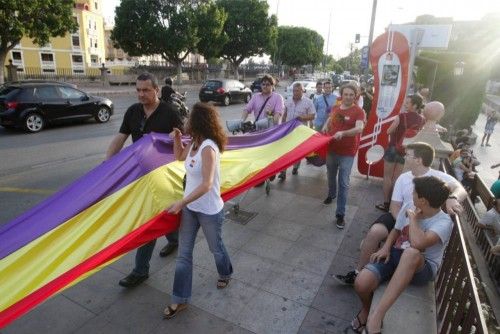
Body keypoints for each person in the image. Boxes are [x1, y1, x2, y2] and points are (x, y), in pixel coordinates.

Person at [334, 142, 466, 286]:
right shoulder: (403, 178)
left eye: (408, 155)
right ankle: (358, 271)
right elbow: (395, 206)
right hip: (402, 215)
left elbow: (461, 189)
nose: (404, 157)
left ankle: (377, 261)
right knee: (375, 231)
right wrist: (403, 223)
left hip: (421, 219)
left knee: (405, 244)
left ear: (418, 160)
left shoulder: (437, 178)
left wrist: (453, 198)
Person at [105, 72, 184, 288]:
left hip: (164, 176)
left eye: (146, 90)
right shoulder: (132, 112)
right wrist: (106, 166)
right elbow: (120, 138)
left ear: (156, 90)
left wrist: (174, 138)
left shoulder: (170, 112)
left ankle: (141, 269)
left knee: (153, 218)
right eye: (138, 90)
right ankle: (170, 243)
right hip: (140, 176)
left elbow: (184, 139)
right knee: (151, 218)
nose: (141, 94)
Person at [353, 176, 453, 333]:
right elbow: (397, 229)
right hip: (395, 255)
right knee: (361, 283)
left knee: (411, 253)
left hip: (421, 268)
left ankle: (377, 315)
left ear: (424, 201)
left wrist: (413, 218)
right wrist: (385, 247)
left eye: (414, 192)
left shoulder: (443, 222)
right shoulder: (410, 204)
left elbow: (418, 244)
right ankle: (366, 310)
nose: (411, 194)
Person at [163, 102, 232, 319]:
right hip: (191, 209)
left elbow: (207, 184)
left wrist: (180, 203)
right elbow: (179, 157)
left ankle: (225, 271)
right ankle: (179, 299)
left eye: (188, 117)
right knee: (184, 255)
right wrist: (176, 138)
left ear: (197, 121)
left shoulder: (209, 148)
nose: (184, 120)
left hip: (210, 210)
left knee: (216, 248)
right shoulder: (194, 142)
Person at [323, 83, 366, 229]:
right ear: (342, 95)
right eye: (346, 94)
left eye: (351, 95)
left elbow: (359, 128)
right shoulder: (336, 107)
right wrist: (325, 125)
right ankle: (331, 194)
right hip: (332, 149)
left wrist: (344, 133)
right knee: (330, 176)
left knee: (344, 182)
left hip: (347, 152)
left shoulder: (359, 111)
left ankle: (340, 214)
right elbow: (331, 118)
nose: (348, 97)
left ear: (355, 96)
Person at [375, 95, 425, 212]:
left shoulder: (401, 116)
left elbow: (389, 131)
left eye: (407, 103)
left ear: (415, 105)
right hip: (406, 152)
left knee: (387, 177)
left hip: (393, 148)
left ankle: (386, 204)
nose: (405, 105)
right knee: (397, 179)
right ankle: (394, 204)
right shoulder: (422, 120)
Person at [278, 82, 316, 180]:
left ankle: (295, 167)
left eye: (298, 90)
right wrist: (282, 126)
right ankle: (283, 171)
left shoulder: (308, 102)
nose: (295, 92)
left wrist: (303, 117)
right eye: (294, 90)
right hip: (288, 130)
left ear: (302, 91)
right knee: (285, 151)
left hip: (300, 132)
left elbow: (312, 115)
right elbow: (285, 114)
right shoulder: (288, 100)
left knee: (297, 152)